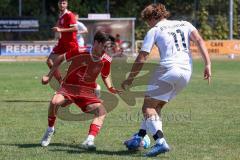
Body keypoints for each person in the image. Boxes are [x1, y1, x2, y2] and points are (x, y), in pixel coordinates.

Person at [121, 3, 211, 157]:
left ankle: (160, 142)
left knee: (147, 108)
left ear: (152, 18)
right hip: (186, 72)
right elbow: (200, 41)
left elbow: (142, 57)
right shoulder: (185, 23)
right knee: (156, 107)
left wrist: (130, 78)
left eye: (147, 21)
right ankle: (139, 137)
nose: (148, 24)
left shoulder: (154, 30)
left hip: (168, 69)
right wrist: (208, 63)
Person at [40, 31, 122, 150]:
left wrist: (110, 87)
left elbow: (105, 74)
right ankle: (50, 130)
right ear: (96, 43)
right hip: (69, 87)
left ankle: (89, 140)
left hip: (87, 92)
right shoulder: (80, 51)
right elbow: (59, 58)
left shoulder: (107, 59)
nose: (105, 50)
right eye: (104, 46)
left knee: (101, 112)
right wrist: (48, 75)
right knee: (54, 102)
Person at [47, 0, 78, 83]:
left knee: (73, 68)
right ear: (58, 4)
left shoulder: (70, 15)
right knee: (49, 61)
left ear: (67, 4)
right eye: (60, 3)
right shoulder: (61, 15)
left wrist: (60, 29)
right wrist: (57, 30)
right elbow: (59, 25)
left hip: (71, 44)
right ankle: (61, 83)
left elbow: (75, 28)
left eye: (64, 3)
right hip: (62, 43)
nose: (62, 5)